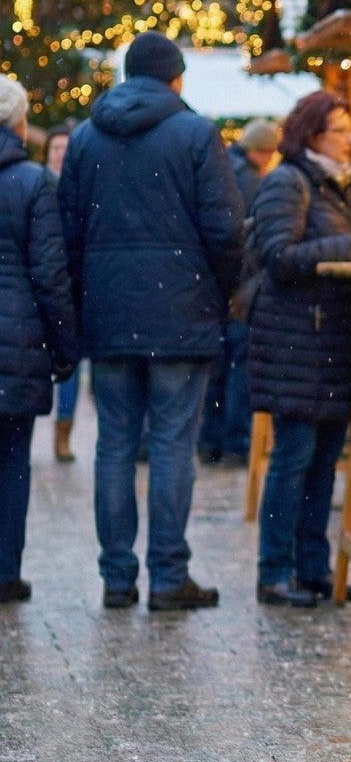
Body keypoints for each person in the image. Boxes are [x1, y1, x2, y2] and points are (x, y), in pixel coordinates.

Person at [58, 31, 244, 611]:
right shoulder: (195, 132)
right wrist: (219, 291)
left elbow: (68, 231)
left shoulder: (86, 137)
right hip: (181, 311)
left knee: (114, 444)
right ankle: (168, 575)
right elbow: (226, 228)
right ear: (176, 77)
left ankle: (117, 578)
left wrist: (85, 299)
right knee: (171, 445)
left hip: (109, 310)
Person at [248, 90, 351, 607]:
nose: (350, 140)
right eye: (339, 131)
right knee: (293, 458)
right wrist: (348, 247)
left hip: (331, 342)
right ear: (312, 134)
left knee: (323, 460)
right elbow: (277, 255)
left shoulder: (338, 184)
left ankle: (312, 568)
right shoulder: (288, 181)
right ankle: (274, 572)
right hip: (297, 342)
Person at [0, 77, 79, 603]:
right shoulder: (32, 183)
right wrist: (65, 347)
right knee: (12, 459)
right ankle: (5, 570)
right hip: (17, 338)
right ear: (19, 123)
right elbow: (51, 275)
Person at [198, 117, 281, 468]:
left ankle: (209, 441)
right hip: (239, 287)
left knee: (219, 369)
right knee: (238, 367)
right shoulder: (250, 180)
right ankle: (235, 442)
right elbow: (242, 238)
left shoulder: (223, 169)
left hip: (215, 286)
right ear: (263, 151)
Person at [42, 121, 81, 462]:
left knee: (71, 365)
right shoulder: (34, 185)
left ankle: (63, 433)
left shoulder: (79, 189)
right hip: (42, 285)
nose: (59, 155)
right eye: (55, 148)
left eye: (65, 150)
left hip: (70, 288)